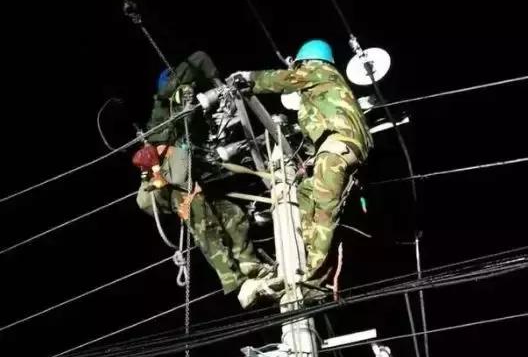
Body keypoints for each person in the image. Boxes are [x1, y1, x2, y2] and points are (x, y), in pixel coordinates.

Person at [133, 51, 274, 307]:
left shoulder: (195, 121)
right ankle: (236, 281)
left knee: (233, 214)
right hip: (174, 186)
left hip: (192, 178)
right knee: (205, 225)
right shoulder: (162, 113)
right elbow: (198, 59)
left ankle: (252, 267)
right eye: (184, 89)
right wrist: (216, 81)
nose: (190, 94)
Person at [232, 39, 373, 285]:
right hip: (340, 148)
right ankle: (304, 254)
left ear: (307, 61)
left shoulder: (321, 71)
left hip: (339, 147)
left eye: (301, 66)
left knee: (324, 209)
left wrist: (249, 78)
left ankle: (312, 274)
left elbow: (284, 79)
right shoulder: (326, 93)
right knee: (304, 194)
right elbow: (315, 131)